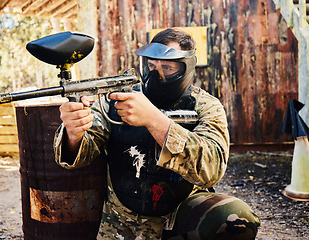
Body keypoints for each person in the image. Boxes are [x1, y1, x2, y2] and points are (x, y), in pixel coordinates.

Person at [54, 28, 261, 239]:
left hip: (177, 220)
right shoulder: (118, 99)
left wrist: (154, 120)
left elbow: (212, 168)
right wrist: (74, 131)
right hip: (120, 222)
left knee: (235, 218)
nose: (156, 74)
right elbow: (80, 152)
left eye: (167, 67)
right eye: (151, 66)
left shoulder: (205, 106)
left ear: (186, 68)